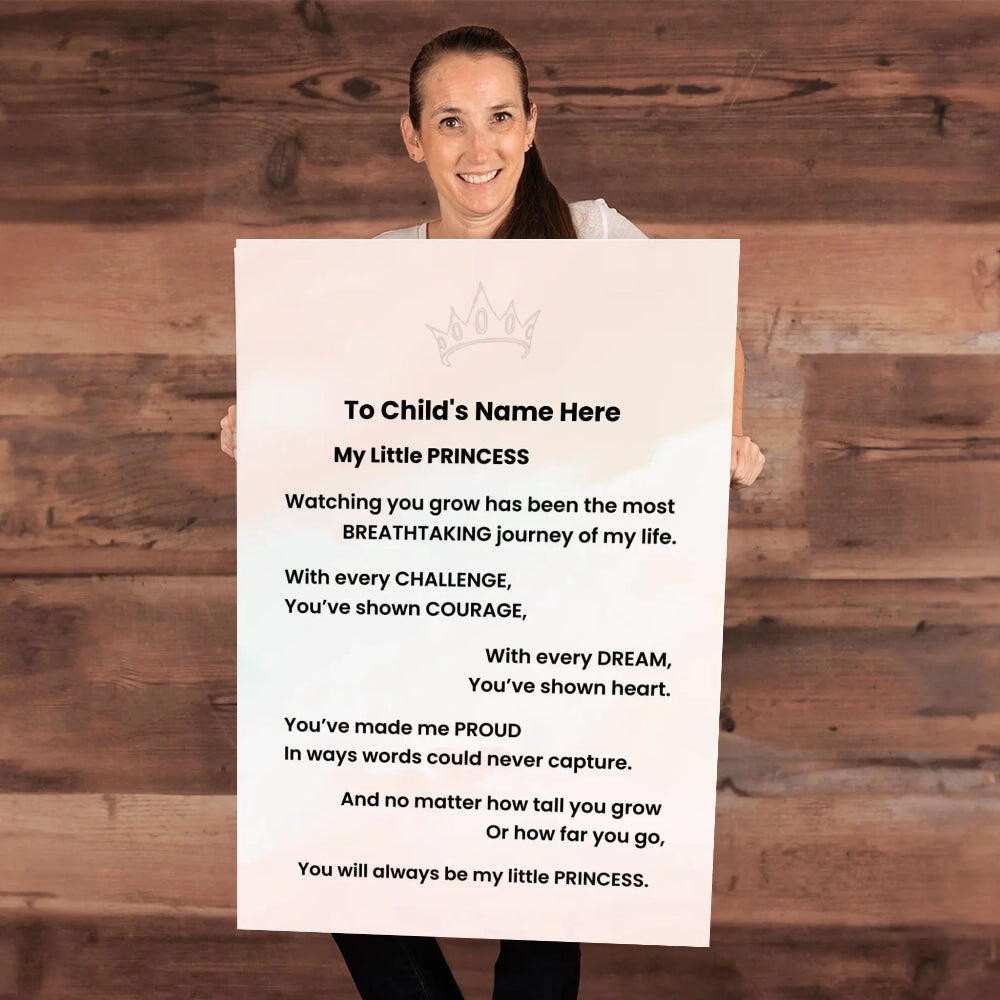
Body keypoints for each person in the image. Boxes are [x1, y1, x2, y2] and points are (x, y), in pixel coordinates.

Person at [220, 24, 764, 1000]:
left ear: (531, 124)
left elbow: (705, 340)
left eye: (501, 117)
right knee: (336, 839)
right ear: (411, 137)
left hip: (563, 622)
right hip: (423, 612)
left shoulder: (593, 235)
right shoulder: (381, 267)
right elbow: (326, 422)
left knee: (545, 887)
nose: (481, 148)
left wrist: (718, 440)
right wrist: (257, 432)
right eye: (452, 121)